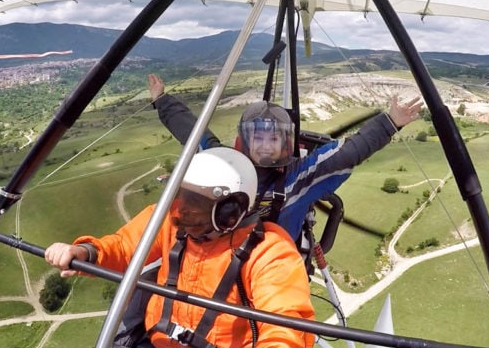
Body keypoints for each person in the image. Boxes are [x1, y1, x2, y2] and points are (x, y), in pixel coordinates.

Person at [45, 147, 315, 348]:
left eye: (196, 203)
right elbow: (125, 246)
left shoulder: (269, 250)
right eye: (181, 196)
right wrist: (86, 252)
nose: (182, 210)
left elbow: (286, 322)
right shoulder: (169, 222)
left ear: (229, 213)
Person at [148, 73, 422, 242]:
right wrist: (162, 101)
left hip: (275, 268)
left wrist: (389, 123)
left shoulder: (299, 177)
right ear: (246, 141)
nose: (266, 147)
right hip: (227, 261)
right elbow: (193, 133)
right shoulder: (226, 167)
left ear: (285, 144)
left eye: (274, 139)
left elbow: (347, 153)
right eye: (259, 139)